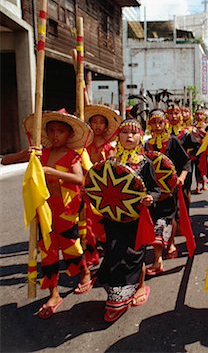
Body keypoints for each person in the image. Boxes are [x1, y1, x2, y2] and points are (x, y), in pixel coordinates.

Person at [20, 110, 95, 319]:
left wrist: (52, 172)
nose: (55, 135)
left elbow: (79, 179)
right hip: (43, 211)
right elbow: (6, 161)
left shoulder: (72, 155)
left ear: (69, 135)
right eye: (51, 131)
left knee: (71, 247)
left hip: (66, 211)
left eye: (60, 131)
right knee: (47, 252)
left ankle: (85, 272)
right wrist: (27, 155)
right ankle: (53, 293)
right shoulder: (40, 153)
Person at [96, 119, 160, 322]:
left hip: (136, 219)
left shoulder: (145, 163)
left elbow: (156, 189)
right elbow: (100, 186)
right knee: (114, 254)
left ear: (141, 137)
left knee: (134, 254)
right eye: (124, 132)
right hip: (113, 218)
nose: (129, 136)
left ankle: (139, 286)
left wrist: (151, 198)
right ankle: (118, 294)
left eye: (134, 133)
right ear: (118, 136)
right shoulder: (111, 163)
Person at [145, 109, 191, 272]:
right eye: (154, 123)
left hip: (170, 188)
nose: (157, 126)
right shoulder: (146, 144)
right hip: (152, 190)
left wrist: (181, 178)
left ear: (165, 124)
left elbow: (186, 162)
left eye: (160, 122)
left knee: (168, 218)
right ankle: (160, 252)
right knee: (156, 219)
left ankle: (166, 248)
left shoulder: (172, 141)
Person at [83, 104, 123, 267]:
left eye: (101, 122)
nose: (98, 125)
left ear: (106, 126)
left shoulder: (109, 147)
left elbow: (112, 172)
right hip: (85, 190)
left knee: (104, 224)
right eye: (94, 122)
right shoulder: (83, 146)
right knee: (87, 225)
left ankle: (109, 253)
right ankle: (91, 256)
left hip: (103, 191)